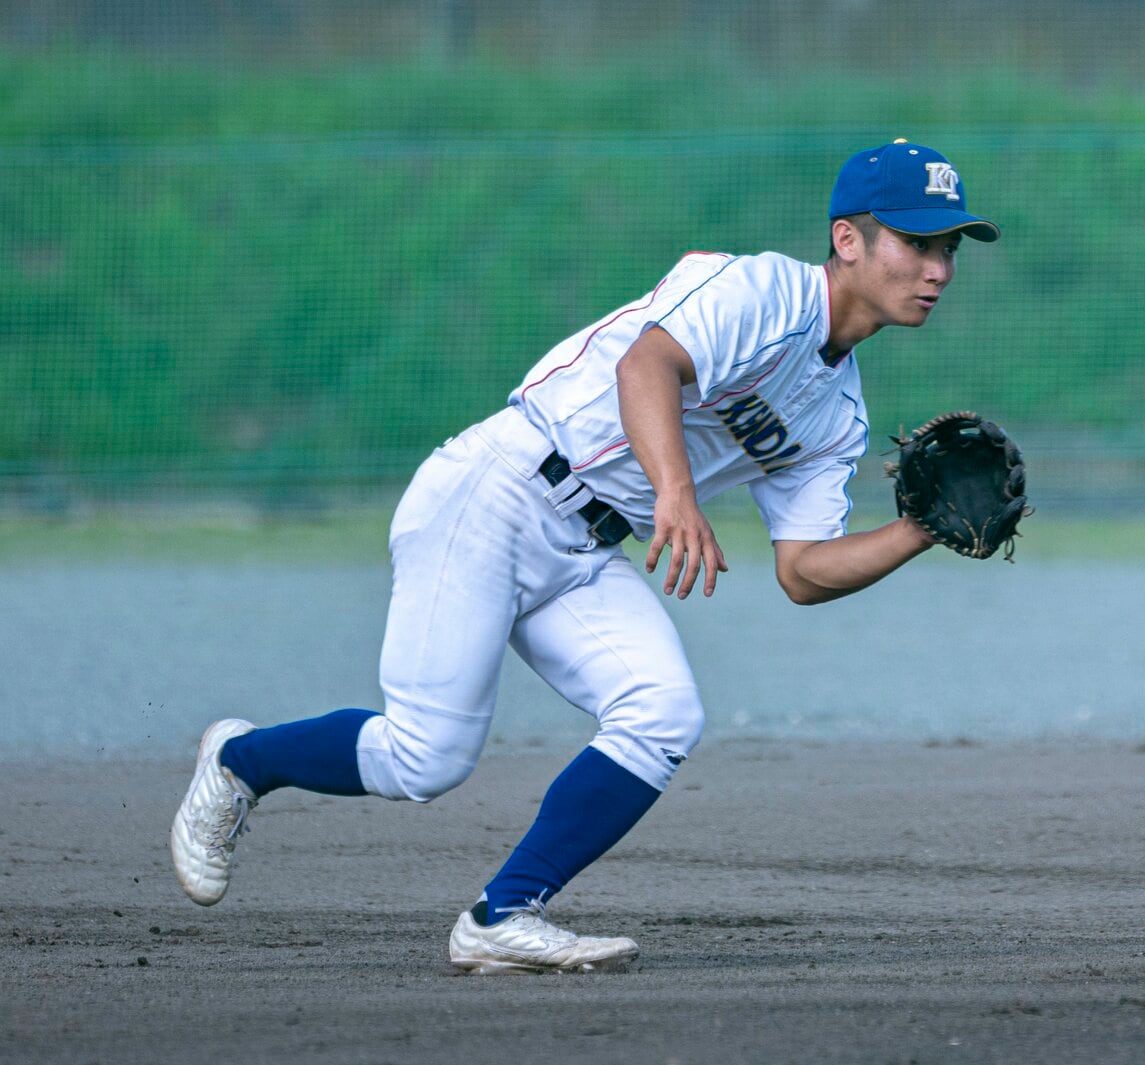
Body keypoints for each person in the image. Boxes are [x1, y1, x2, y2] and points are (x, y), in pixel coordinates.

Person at [170, 139, 1001, 974]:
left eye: (947, 248)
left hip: (583, 547)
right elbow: (650, 363)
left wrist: (919, 531)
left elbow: (802, 570)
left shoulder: (838, 414)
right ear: (849, 239)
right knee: (424, 758)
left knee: (663, 713)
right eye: (917, 241)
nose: (938, 267)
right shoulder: (761, 290)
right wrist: (675, 492)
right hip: (498, 490)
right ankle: (240, 760)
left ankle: (503, 914)